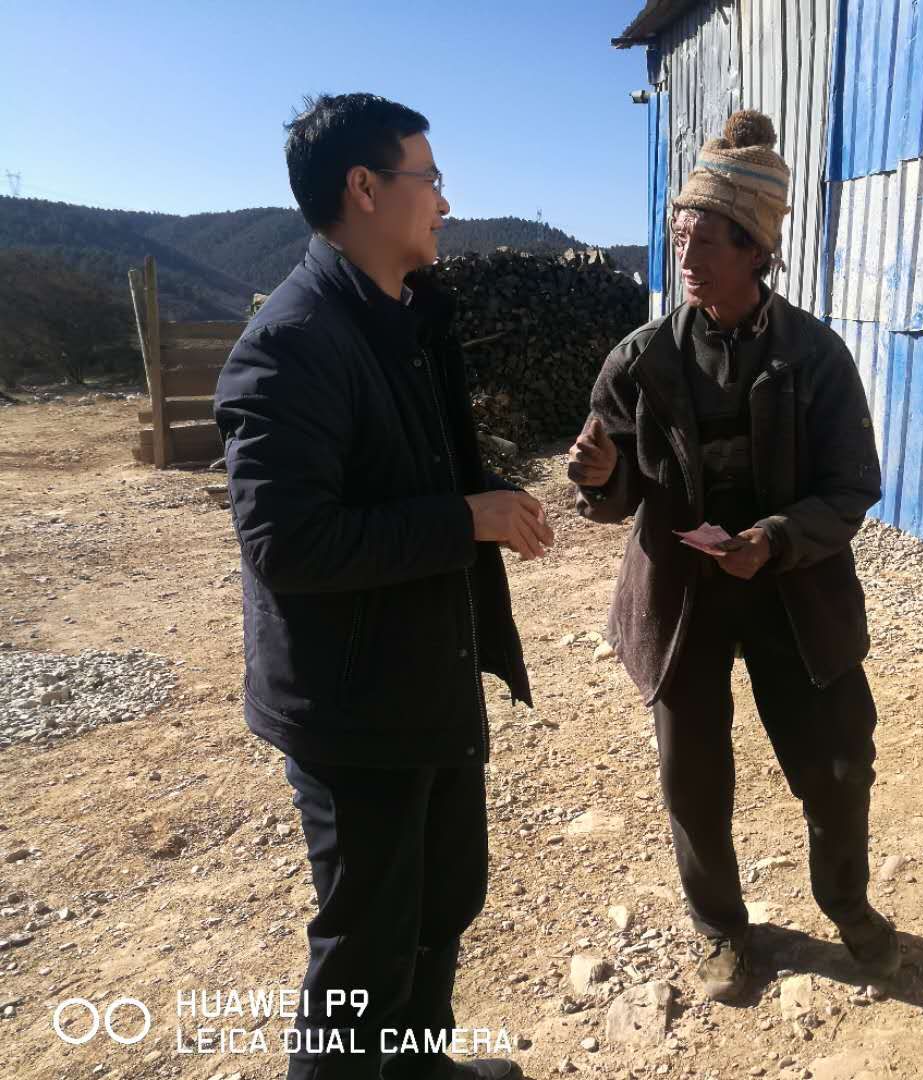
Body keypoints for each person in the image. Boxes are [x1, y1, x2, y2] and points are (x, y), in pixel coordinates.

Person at [216, 93, 552, 1080]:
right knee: (365, 946)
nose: (445, 201)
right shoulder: (290, 345)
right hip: (354, 707)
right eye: (429, 178)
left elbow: (409, 474)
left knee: (442, 901)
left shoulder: (406, 319)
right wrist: (465, 519)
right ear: (364, 189)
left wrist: (477, 500)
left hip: (427, 675)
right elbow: (289, 544)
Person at [567, 109, 897, 1002]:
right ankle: (720, 928)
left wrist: (777, 538)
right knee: (694, 778)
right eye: (680, 234)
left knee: (838, 764)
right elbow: (614, 496)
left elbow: (852, 484)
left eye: (706, 238)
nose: (686, 253)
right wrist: (600, 477)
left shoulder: (816, 357)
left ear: (756, 249)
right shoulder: (640, 359)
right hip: (684, 598)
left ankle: (847, 903)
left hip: (794, 589)